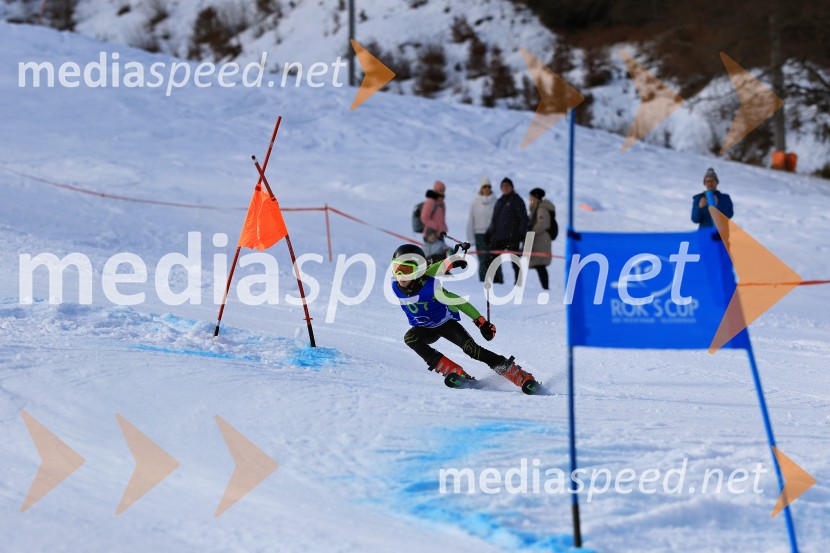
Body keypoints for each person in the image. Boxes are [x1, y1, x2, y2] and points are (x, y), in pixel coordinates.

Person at [390, 244, 539, 394]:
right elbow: (431, 269)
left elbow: (459, 302)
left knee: (472, 350)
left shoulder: (431, 288)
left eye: (407, 270)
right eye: (397, 269)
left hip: (445, 324)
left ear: (418, 271)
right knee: (410, 338)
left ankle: (520, 376)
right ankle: (454, 371)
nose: (401, 275)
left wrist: (482, 323)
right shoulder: (396, 285)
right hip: (425, 328)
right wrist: (449, 262)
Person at [485, 177, 529, 285]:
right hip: (498, 237)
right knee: (491, 259)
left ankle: (519, 283)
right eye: (503, 186)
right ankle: (493, 282)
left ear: (511, 187)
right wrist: (488, 233)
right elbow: (494, 219)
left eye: (507, 186)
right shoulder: (500, 201)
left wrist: (521, 234)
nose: (504, 188)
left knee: (515, 261)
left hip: (512, 237)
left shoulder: (517, 200)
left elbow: (524, 218)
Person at [466, 177, 496, 282]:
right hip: (479, 235)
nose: (486, 189)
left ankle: (497, 282)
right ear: (481, 188)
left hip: (492, 235)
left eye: (488, 187)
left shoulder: (495, 202)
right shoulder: (475, 203)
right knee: (483, 260)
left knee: (494, 259)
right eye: (484, 187)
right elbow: (471, 221)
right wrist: (471, 239)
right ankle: (483, 282)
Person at [527, 188, 555, 290]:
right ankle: (544, 287)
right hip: (538, 239)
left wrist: (532, 231)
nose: (530, 199)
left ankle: (545, 288)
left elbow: (543, 223)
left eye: (531, 197)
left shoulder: (541, 209)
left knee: (540, 265)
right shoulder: (537, 208)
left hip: (541, 239)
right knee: (538, 265)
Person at [421, 180, 448, 250]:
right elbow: (424, 218)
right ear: (436, 190)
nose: (442, 192)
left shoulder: (442, 204)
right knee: (434, 258)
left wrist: (444, 228)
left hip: (439, 235)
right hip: (431, 234)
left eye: (443, 190)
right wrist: (435, 227)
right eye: (440, 190)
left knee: (442, 257)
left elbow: (442, 219)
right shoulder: (430, 202)